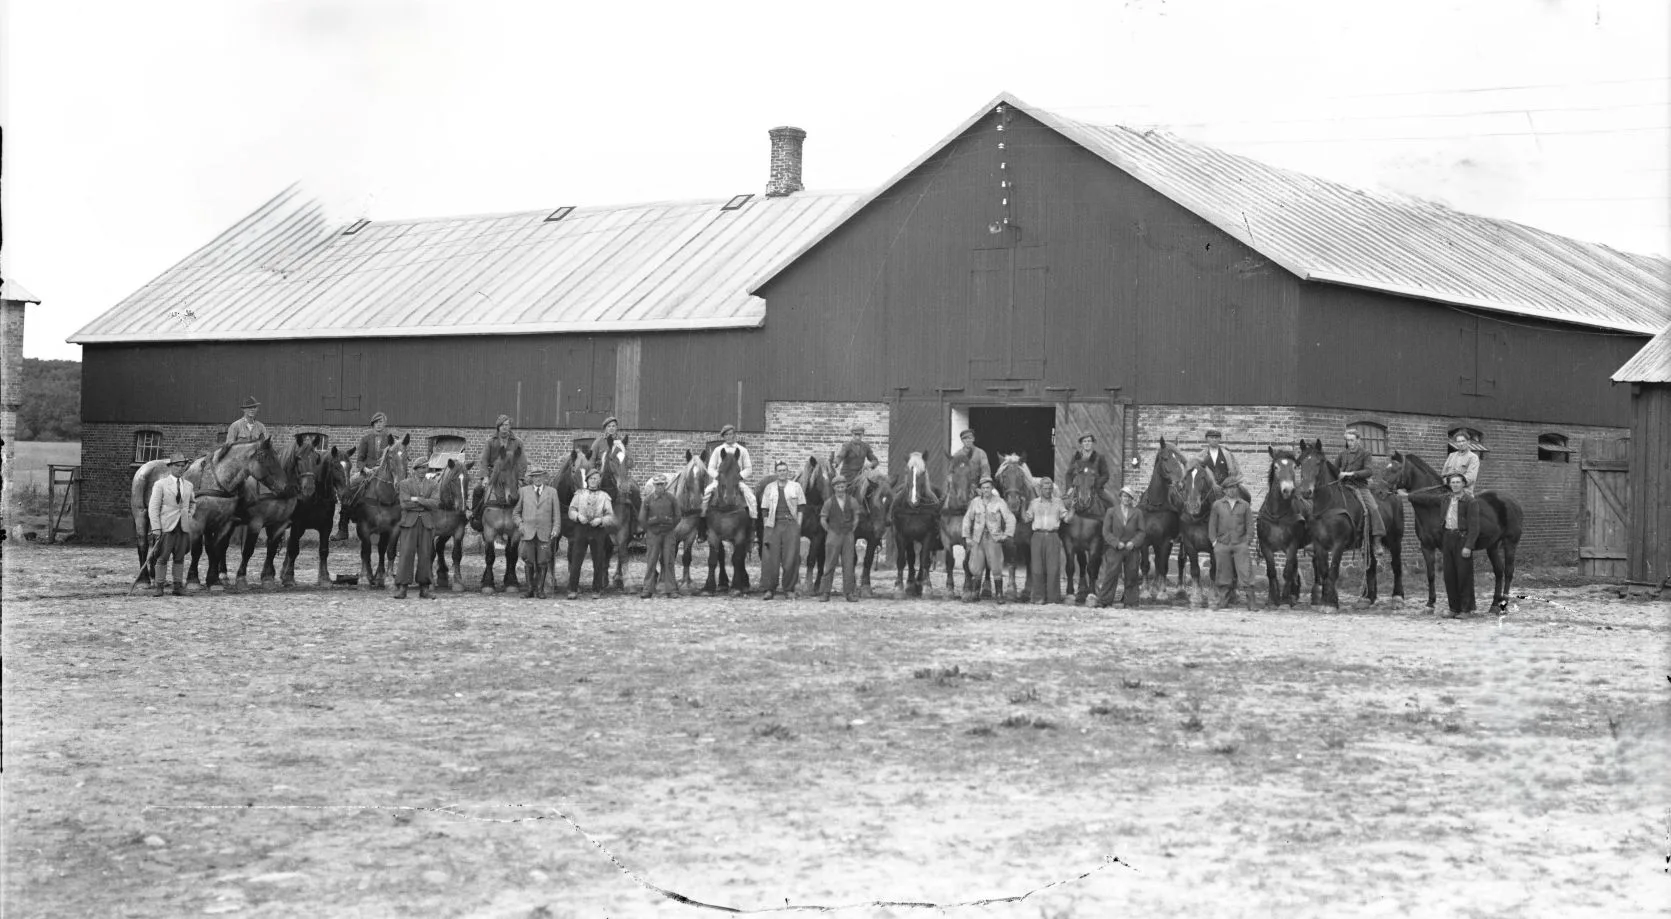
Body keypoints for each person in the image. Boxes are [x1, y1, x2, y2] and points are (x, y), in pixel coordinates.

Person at [335, 411, 393, 540]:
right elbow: (360, 460)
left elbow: (393, 458)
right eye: (376, 422)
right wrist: (365, 469)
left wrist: (381, 467)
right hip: (367, 473)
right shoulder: (366, 439)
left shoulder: (390, 439)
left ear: (385, 424)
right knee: (348, 488)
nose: (379, 425)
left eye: (381, 422)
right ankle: (343, 529)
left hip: (384, 473)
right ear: (373, 424)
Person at [146, 452, 197, 597]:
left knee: (180, 557)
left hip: (183, 527)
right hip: (166, 527)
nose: (180, 469)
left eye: (182, 466)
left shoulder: (188, 485)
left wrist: (188, 515)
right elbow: (153, 507)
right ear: (170, 467)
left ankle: (177, 586)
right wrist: (156, 527)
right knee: (162, 557)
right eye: (177, 466)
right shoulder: (160, 484)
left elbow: (193, 503)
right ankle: (159, 586)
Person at [393, 456, 443, 600]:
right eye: (419, 468)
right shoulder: (405, 484)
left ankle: (424, 588)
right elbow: (404, 504)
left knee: (426, 555)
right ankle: (402, 588)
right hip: (409, 523)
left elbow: (435, 503)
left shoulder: (433, 484)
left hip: (426, 523)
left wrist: (418, 499)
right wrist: (425, 503)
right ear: (414, 469)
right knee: (406, 554)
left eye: (424, 467)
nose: (422, 470)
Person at [961, 475, 1015, 605]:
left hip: (993, 538)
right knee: (976, 566)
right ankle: (975, 592)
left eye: (988, 487)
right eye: (983, 488)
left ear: (992, 488)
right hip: (978, 538)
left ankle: (999, 594)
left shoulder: (999, 502)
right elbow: (967, 519)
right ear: (980, 489)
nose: (986, 490)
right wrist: (967, 536)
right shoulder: (975, 502)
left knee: (996, 566)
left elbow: (1010, 518)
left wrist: (1007, 534)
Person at [1091, 486, 1147, 608]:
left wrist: (1134, 542)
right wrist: (1116, 543)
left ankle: (1131, 601)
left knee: (1131, 575)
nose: (1127, 499)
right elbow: (1106, 531)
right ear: (1120, 497)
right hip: (1115, 548)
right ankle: (1104, 600)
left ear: (1132, 499)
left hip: (1131, 549)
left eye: (1129, 497)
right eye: (1125, 496)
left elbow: (1142, 531)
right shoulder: (1111, 511)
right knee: (1111, 574)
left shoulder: (1137, 513)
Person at [759, 460, 806, 600]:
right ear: (776, 472)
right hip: (773, 525)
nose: (782, 473)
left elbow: (801, 507)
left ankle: (789, 588)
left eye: (784, 470)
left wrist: (798, 525)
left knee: (790, 558)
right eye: (779, 470)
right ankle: (769, 589)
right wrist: (766, 525)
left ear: (788, 471)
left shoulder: (796, 487)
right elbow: (764, 509)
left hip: (790, 525)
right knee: (770, 558)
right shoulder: (769, 488)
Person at [567, 469, 615, 600]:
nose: (593, 481)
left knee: (598, 560)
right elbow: (571, 510)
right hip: (581, 528)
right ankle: (572, 589)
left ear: (599, 481)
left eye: (596, 479)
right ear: (587, 480)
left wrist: (601, 520)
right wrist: (578, 516)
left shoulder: (604, 496)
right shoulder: (579, 494)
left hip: (597, 530)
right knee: (576, 559)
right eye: (591, 478)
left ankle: (597, 589)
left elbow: (610, 516)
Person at [1208, 480, 1256, 609]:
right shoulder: (1217, 505)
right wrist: (1214, 542)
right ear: (1224, 490)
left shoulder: (1244, 505)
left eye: (1234, 487)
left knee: (1246, 571)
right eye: (1229, 488)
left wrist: (1247, 541)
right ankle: (1223, 600)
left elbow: (1250, 525)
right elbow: (1212, 525)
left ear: (1237, 489)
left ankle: (1251, 601)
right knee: (1223, 573)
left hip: (1240, 544)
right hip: (1222, 544)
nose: (1232, 490)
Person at [513, 466, 559, 600]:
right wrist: (520, 524)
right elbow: (516, 513)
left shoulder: (552, 492)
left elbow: (556, 515)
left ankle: (540, 590)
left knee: (543, 561)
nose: (538, 479)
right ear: (531, 478)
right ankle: (529, 590)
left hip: (545, 533)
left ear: (544, 478)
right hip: (528, 532)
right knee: (528, 561)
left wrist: (556, 528)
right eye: (535, 476)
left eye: (540, 476)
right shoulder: (523, 491)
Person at [1439, 471, 1481, 617]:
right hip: (1447, 538)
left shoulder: (1470, 501)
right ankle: (1454, 608)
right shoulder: (1446, 499)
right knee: (1449, 575)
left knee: (1464, 575)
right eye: (1453, 482)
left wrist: (1468, 546)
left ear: (1463, 484)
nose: (1455, 485)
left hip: (1462, 539)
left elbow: (1474, 527)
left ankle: (1466, 609)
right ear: (1449, 485)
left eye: (1458, 482)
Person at [1335, 427, 1386, 545]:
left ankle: (1377, 539)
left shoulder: (1365, 454)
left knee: (1373, 508)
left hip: (1360, 487)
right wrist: (1336, 474)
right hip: (1344, 486)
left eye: (1352, 440)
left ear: (1358, 440)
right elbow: (1334, 468)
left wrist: (1350, 473)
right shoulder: (1342, 454)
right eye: (1348, 440)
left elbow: (1369, 471)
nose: (1350, 443)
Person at [476, 414, 527, 526]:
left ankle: (526, 519)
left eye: (507, 425)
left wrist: (520, 478)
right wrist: (485, 477)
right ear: (498, 427)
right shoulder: (490, 441)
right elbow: (484, 460)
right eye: (502, 425)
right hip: (493, 474)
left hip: (512, 474)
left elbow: (522, 462)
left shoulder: (517, 442)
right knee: (478, 490)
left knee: (527, 492)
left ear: (510, 426)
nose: (505, 427)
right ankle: (477, 517)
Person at [1023, 477, 1067, 604]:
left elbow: (1066, 518)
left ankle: (1053, 598)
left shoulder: (1058, 502)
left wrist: (1073, 508)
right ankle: (1038, 597)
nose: (1048, 491)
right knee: (1037, 568)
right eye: (1045, 488)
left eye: (1050, 489)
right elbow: (1026, 519)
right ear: (1040, 489)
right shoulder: (1034, 503)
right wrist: (1022, 506)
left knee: (1053, 568)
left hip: (1053, 536)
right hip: (1038, 536)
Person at [637, 474, 680, 599]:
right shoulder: (648, 500)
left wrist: (670, 526)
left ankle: (671, 589)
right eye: (657, 484)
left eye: (662, 484)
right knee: (651, 561)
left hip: (668, 533)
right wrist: (649, 529)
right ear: (654, 485)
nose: (660, 487)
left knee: (669, 561)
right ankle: (647, 589)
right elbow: (642, 518)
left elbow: (678, 516)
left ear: (665, 485)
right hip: (653, 534)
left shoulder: (672, 499)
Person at [818, 477, 859, 602]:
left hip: (848, 535)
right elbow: (823, 519)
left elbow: (856, 517)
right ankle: (825, 592)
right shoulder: (829, 502)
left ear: (846, 487)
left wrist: (851, 529)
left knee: (848, 564)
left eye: (842, 486)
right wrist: (830, 531)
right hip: (833, 535)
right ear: (834, 488)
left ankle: (849, 592)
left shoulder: (852, 501)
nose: (840, 489)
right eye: (838, 487)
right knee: (830, 563)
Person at [702, 424, 757, 515]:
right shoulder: (717, 450)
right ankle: (702, 518)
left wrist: (739, 476)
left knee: (751, 498)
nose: (728, 436)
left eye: (730, 434)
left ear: (734, 435)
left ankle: (753, 519)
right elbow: (710, 468)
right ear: (723, 437)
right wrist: (719, 477)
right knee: (706, 494)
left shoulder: (743, 450)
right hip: (720, 482)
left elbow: (748, 469)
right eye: (726, 435)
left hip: (736, 482)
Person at [832, 424, 881, 513]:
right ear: (852, 435)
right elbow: (840, 456)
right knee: (842, 491)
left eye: (860, 435)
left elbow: (875, 460)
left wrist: (870, 465)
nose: (858, 437)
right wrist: (836, 463)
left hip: (860, 475)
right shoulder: (847, 446)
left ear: (862, 435)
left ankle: (869, 508)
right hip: (847, 475)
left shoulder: (865, 446)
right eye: (856, 435)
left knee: (871, 488)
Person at [1066, 434, 1117, 507]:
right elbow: (1068, 474)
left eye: (1089, 441)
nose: (1087, 443)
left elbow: (1105, 475)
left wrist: (1096, 485)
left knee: (1111, 503)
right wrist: (1070, 487)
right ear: (1081, 443)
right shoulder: (1076, 457)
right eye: (1084, 441)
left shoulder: (1099, 457)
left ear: (1092, 443)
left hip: (1094, 488)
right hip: (1077, 487)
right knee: (1064, 504)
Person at [1195, 429, 1246, 500]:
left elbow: (1235, 471)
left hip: (1225, 490)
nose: (1214, 439)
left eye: (1216, 437)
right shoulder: (1201, 455)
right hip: (1207, 492)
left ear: (1220, 439)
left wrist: (1229, 485)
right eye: (1211, 437)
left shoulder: (1227, 454)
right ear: (1207, 439)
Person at [1441, 430, 1482, 495]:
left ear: (1468, 442)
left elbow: (1470, 478)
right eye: (1459, 442)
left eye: (1463, 441)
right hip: (1448, 491)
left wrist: (1452, 482)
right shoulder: (1451, 456)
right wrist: (1446, 481)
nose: (1461, 444)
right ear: (1456, 443)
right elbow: (1443, 475)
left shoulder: (1473, 457)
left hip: (1464, 493)